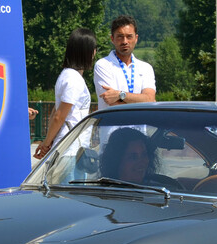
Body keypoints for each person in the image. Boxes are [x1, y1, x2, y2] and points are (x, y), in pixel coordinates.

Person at [34, 28, 98, 159]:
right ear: (86, 52)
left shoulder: (67, 75)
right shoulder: (73, 79)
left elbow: (55, 111)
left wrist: (48, 140)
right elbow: (59, 116)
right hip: (70, 149)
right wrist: (46, 143)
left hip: (72, 147)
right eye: (94, 48)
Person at [94, 15, 155, 110]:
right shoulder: (103, 65)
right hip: (112, 124)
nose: (125, 41)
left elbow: (150, 99)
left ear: (136, 38)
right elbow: (111, 101)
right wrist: (141, 101)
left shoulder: (146, 68)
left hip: (140, 124)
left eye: (129, 36)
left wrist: (120, 94)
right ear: (112, 39)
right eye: (120, 37)